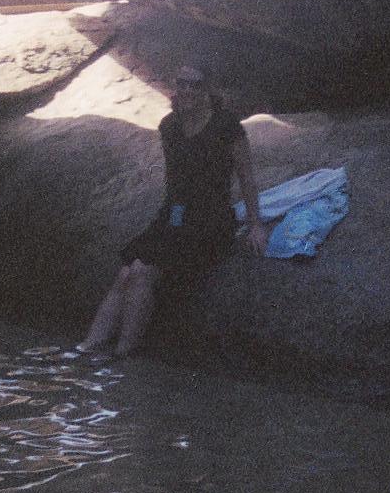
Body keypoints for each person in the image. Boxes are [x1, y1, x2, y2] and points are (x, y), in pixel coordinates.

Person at [78, 62, 268, 356]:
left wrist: (255, 224)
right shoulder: (169, 126)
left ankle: (123, 353)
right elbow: (175, 181)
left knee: (142, 272)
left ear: (208, 89)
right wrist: (169, 221)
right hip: (175, 215)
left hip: (210, 221)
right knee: (126, 273)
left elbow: (246, 176)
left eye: (196, 84)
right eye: (182, 83)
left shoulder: (226, 126)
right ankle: (87, 348)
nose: (188, 90)